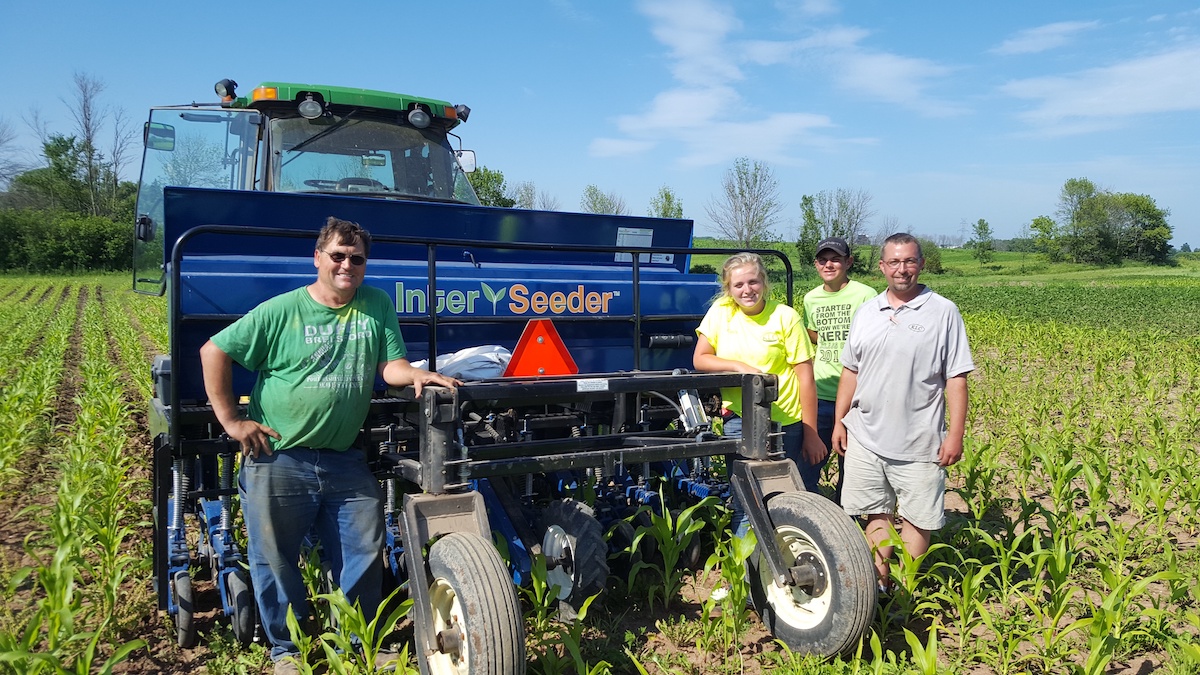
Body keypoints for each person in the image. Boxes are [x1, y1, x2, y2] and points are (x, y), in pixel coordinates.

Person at [200, 216, 461, 673]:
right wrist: (232, 421)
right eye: (337, 255)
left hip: (343, 458)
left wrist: (417, 374)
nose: (347, 265)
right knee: (276, 560)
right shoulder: (283, 310)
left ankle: (354, 644)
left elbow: (390, 367)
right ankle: (290, 651)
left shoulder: (376, 304)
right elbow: (214, 351)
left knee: (363, 550)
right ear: (318, 258)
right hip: (279, 458)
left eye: (356, 258)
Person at [831, 233, 973, 591]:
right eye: (894, 262)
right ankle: (879, 583)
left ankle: (906, 586)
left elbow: (956, 378)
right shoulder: (867, 311)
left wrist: (954, 434)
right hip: (865, 433)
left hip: (919, 437)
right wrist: (839, 421)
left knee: (917, 518)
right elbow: (851, 370)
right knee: (875, 511)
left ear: (921, 264)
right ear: (882, 267)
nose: (902, 269)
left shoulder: (943, 312)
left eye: (909, 261)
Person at [693, 252, 826, 503]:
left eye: (753, 282)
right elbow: (700, 358)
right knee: (745, 499)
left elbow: (805, 378)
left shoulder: (785, 316)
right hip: (740, 421)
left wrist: (811, 433)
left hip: (786, 422)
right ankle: (743, 543)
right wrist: (739, 367)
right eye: (738, 285)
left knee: (791, 495)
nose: (747, 290)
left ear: (764, 281)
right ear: (728, 289)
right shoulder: (721, 312)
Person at [802, 237, 877, 505]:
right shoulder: (811, 298)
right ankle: (811, 513)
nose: (829, 264)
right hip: (821, 394)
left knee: (853, 468)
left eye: (835, 259)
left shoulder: (866, 295)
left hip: (858, 396)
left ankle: (848, 521)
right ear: (816, 264)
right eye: (823, 260)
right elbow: (812, 332)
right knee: (809, 465)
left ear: (849, 262)